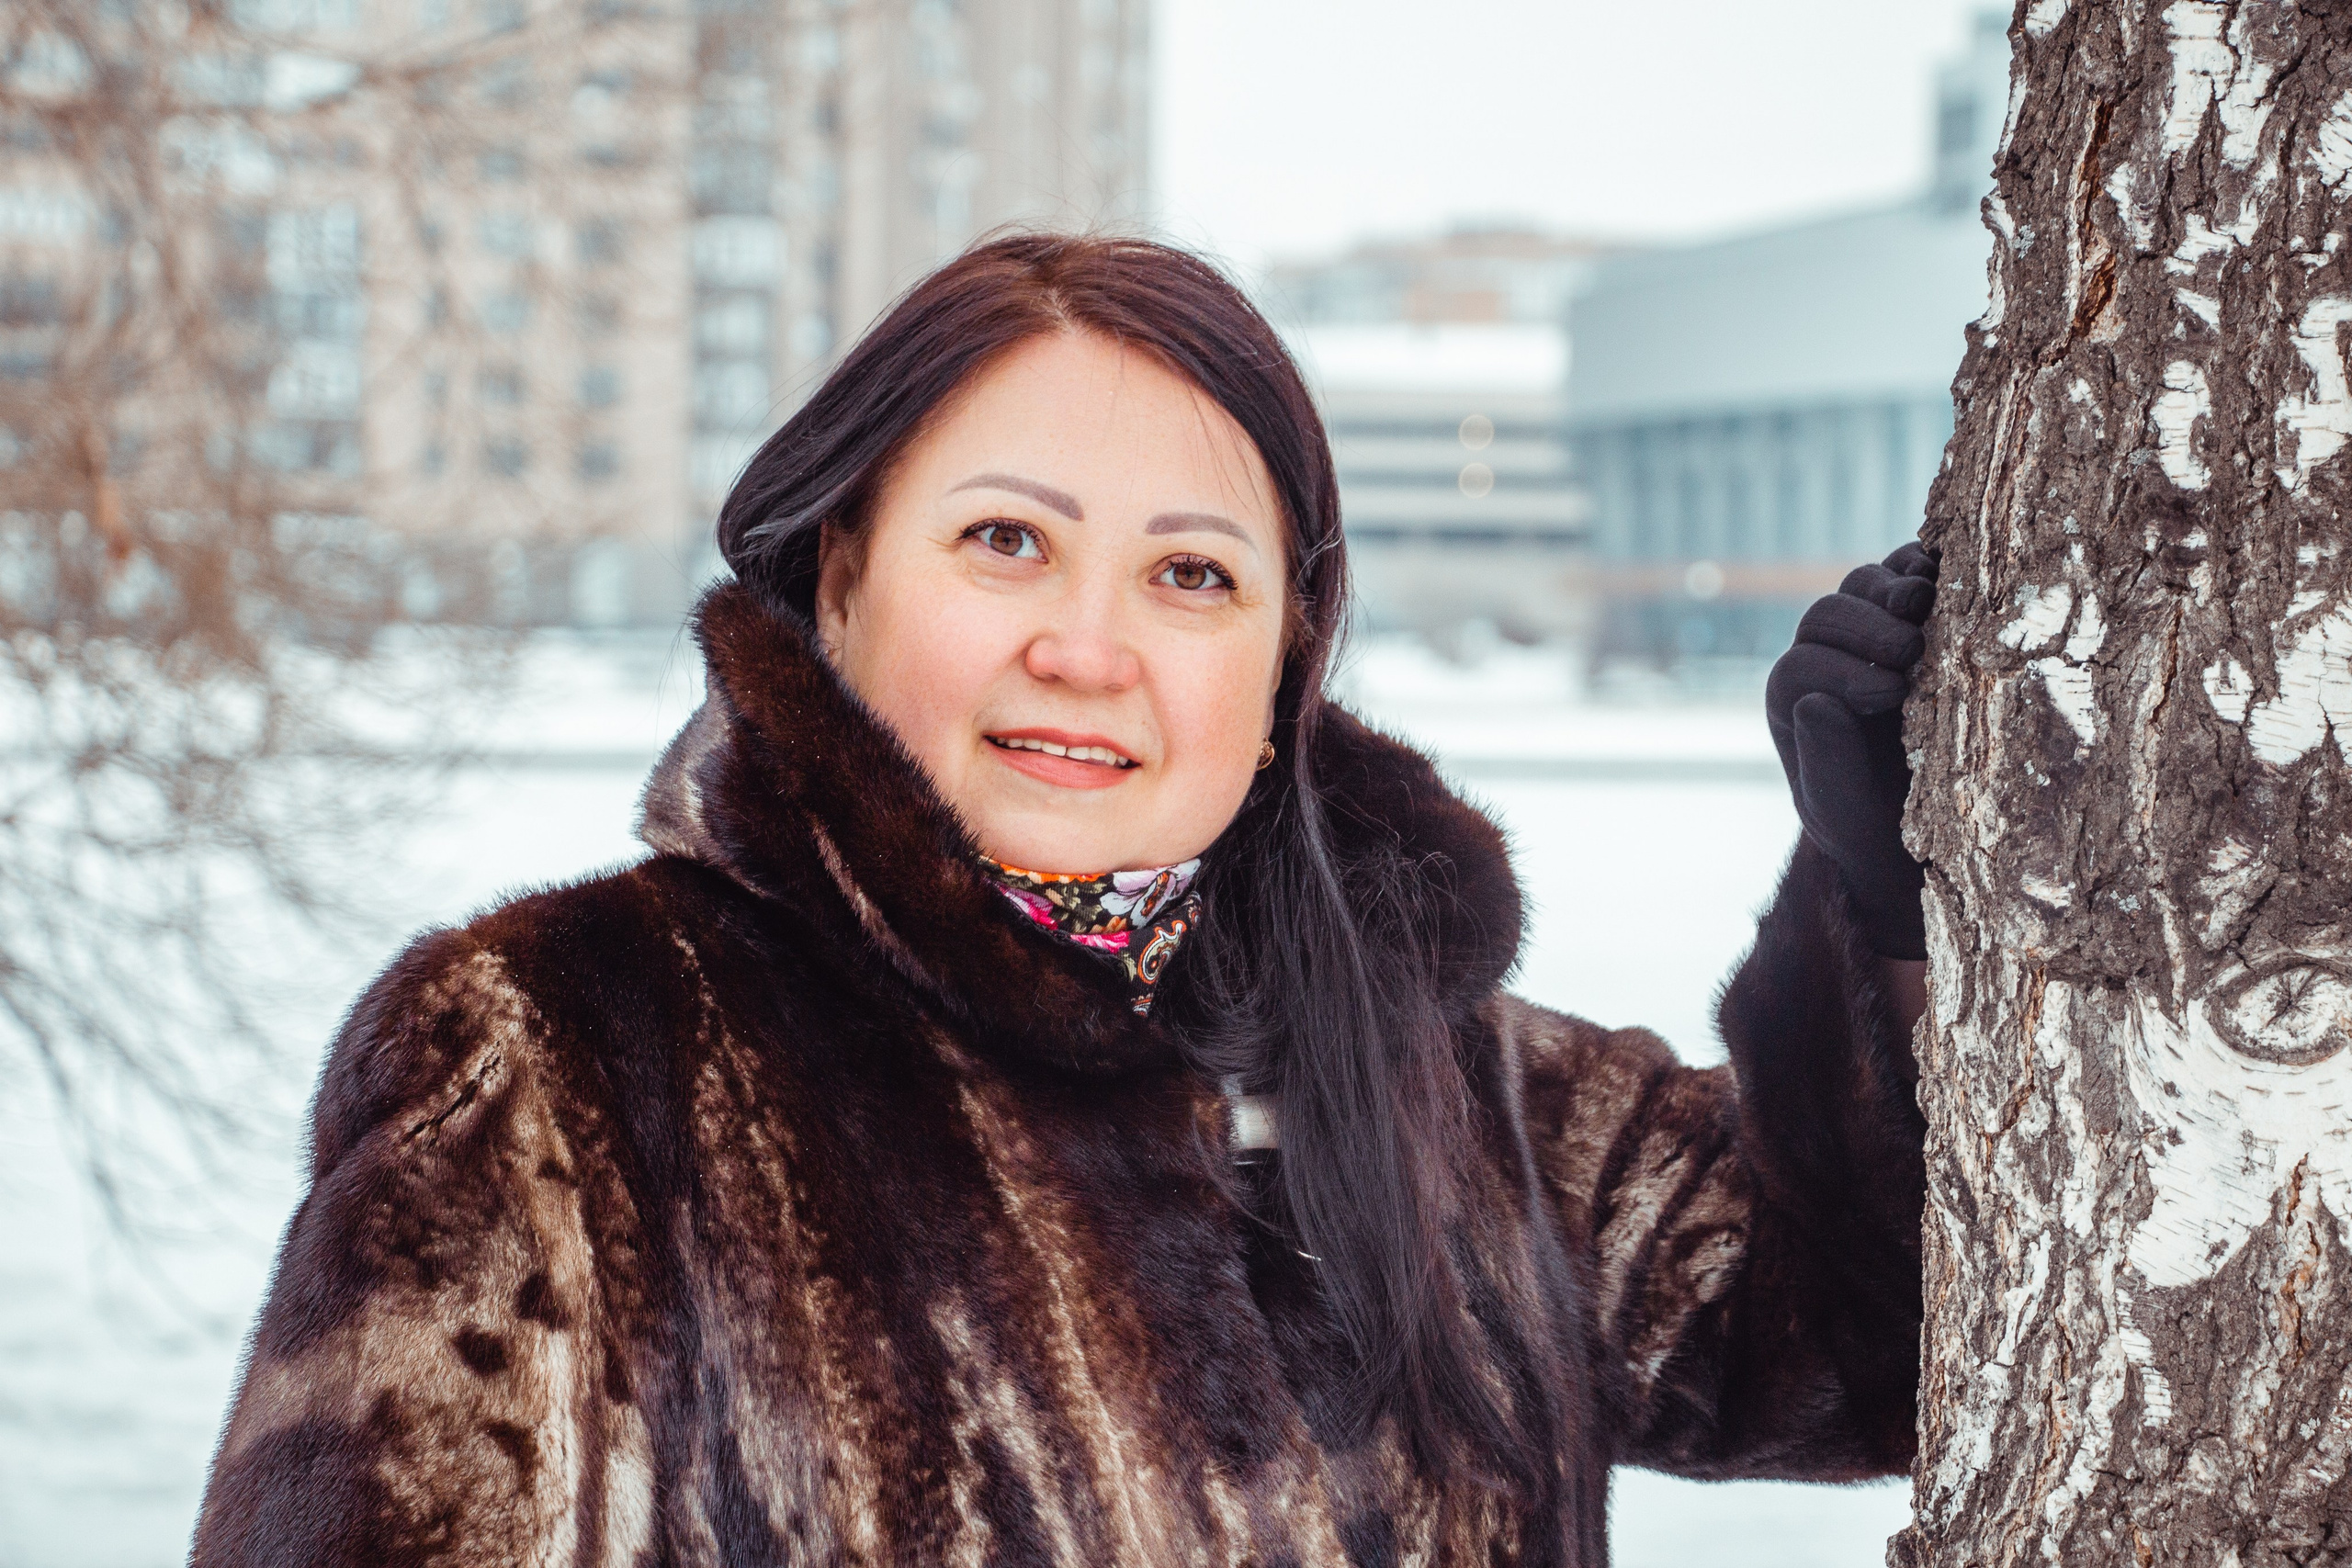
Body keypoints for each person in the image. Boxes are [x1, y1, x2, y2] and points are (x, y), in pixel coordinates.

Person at [190, 233, 1938, 1566]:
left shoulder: (1456, 1085)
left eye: (1192, 574)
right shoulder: (558, 1074)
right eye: (1006, 540)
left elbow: (1879, 1344)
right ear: (842, 571)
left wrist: (1885, 901)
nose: (1087, 648)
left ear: (1282, 663)